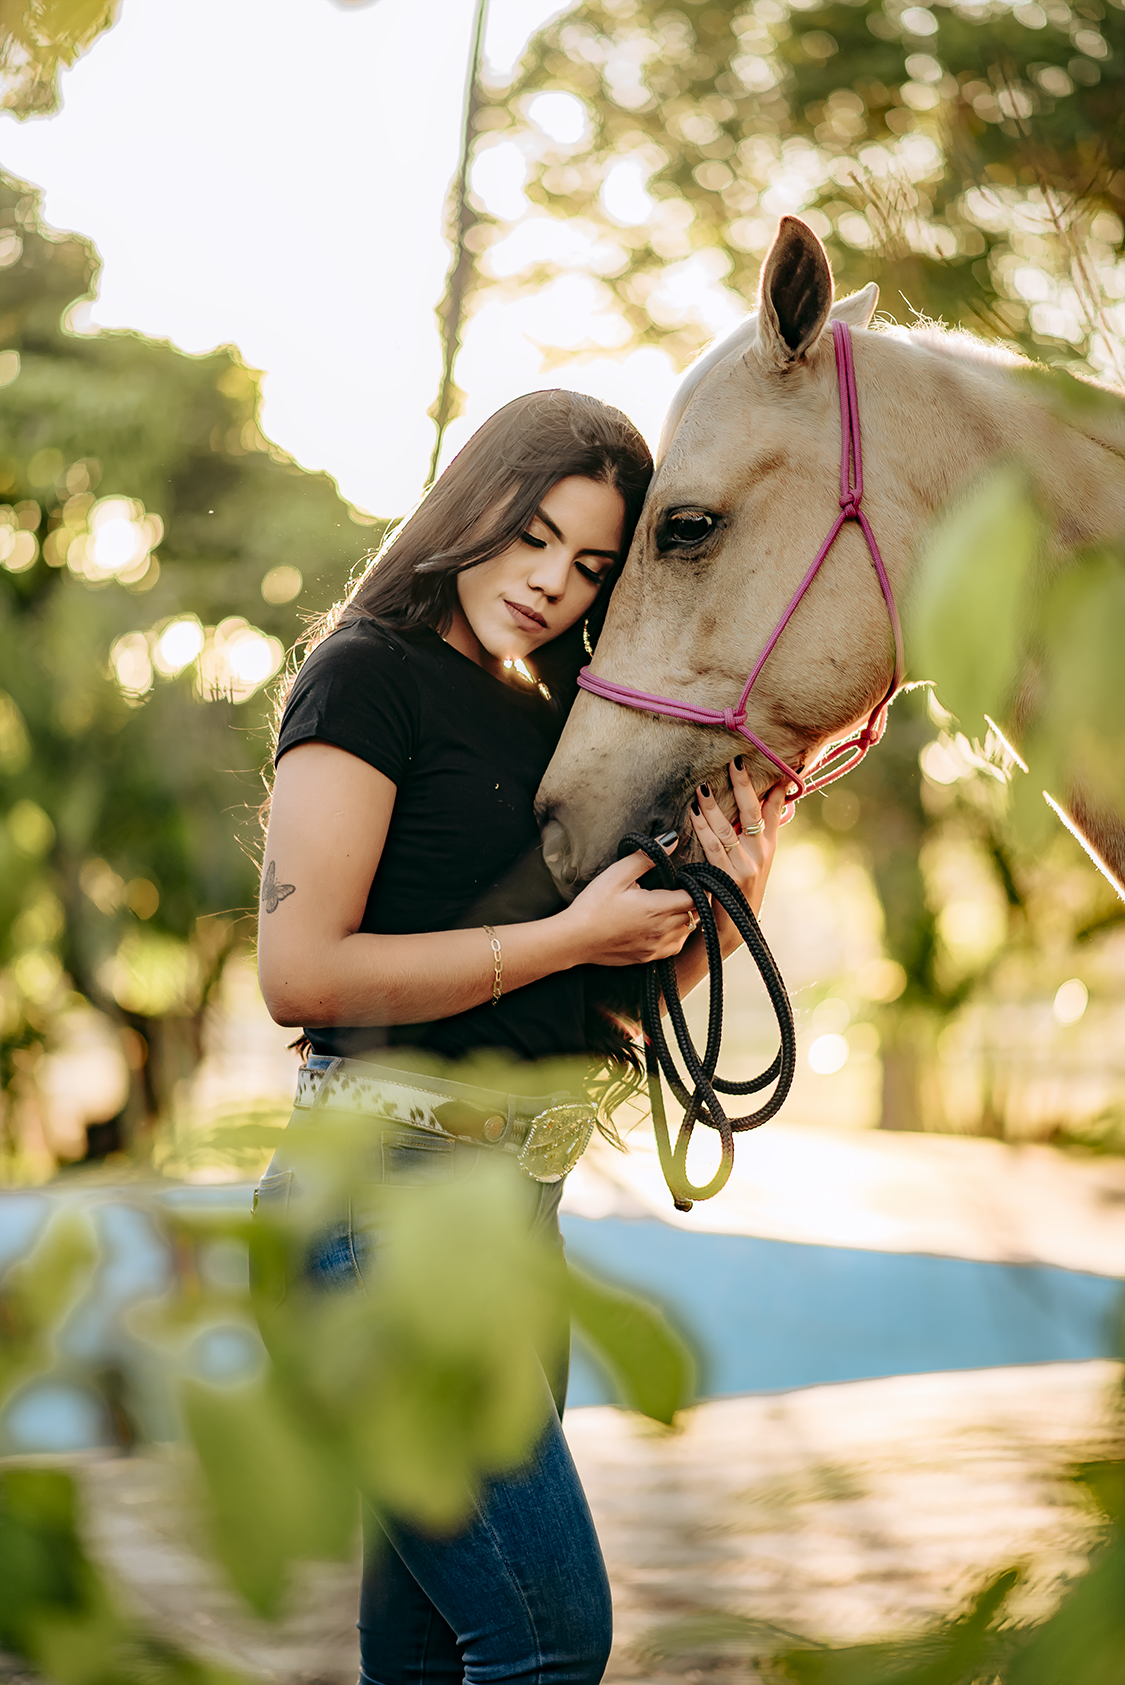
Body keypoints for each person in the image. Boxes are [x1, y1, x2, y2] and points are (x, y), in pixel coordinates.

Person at [255, 389, 785, 1685]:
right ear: (470, 509)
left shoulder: (562, 716)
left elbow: (586, 994)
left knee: (436, 1645)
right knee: (548, 1637)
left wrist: (735, 897)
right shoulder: (368, 673)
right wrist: (563, 937)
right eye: (532, 535)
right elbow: (298, 969)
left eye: (593, 563)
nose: (554, 581)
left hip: (513, 1220)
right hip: (377, 1214)